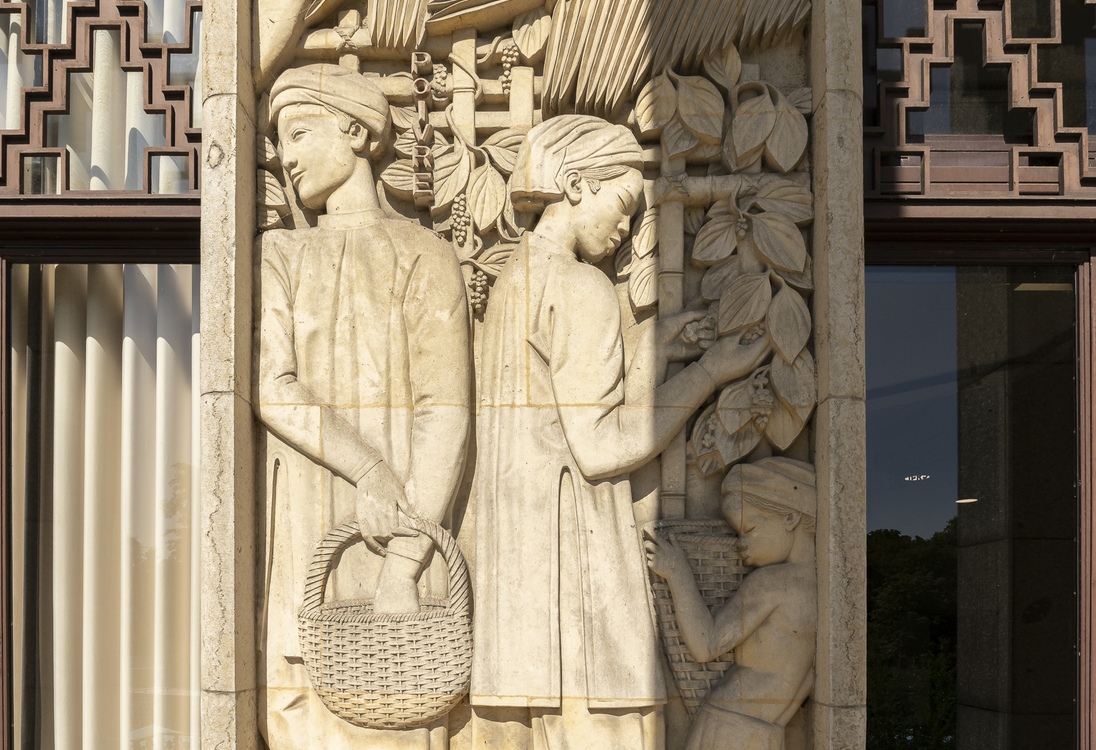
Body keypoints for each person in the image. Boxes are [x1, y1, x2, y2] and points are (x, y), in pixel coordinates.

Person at [470, 115, 770, 749]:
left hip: (527, 588)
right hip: (579, 582)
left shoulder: (511, 284)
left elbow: (555, 414)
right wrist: (711, 373)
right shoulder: (582, 290)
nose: (628, 228)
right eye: (624, 203)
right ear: (577, 184)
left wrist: (648, 347)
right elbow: (603, 447)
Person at [254, 63, 471, 750]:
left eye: (298, 132)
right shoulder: (281, 252)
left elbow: (448, 414)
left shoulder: (425, 256)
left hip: (396, 545)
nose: (285, 158)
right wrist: (368, 467)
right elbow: (271, 384)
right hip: (305, 537)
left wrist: (404, 565)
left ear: (355, 131)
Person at [644, 457, 817, 750]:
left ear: (790, 518)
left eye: (748, 529)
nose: (740, 543)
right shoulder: (819, 587)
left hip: (730, 725)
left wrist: (677, 572)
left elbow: (705, 644)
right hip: (757, 728)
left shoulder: (771, 583)